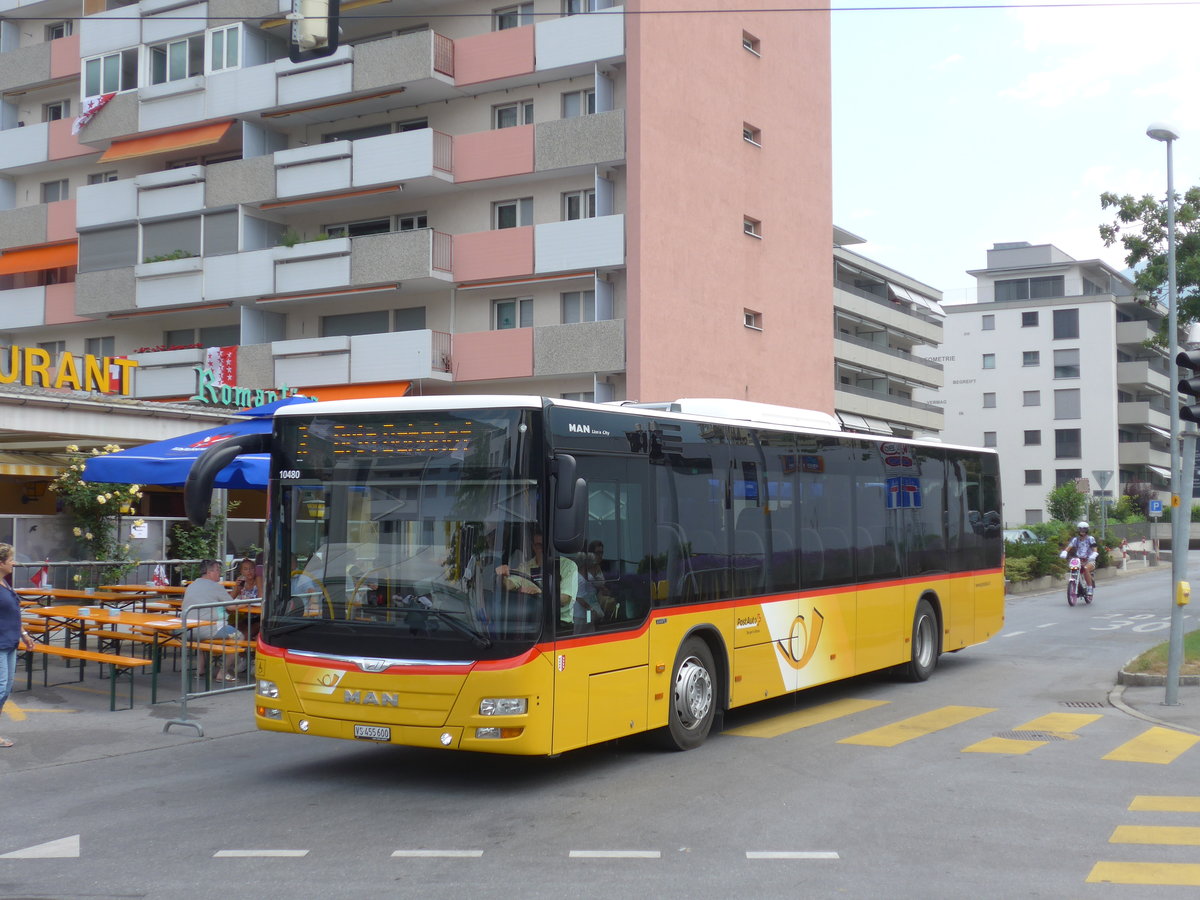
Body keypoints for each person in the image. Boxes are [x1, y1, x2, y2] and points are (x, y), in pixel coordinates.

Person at [183, 559, 246, 681]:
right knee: (239, 637)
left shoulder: (192, 585)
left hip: (187, 629)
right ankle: (223, 672)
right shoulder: (215, 587)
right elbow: (232, 607)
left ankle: (200, 669)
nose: (220, 573)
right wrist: (249, 603)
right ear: (208, 572)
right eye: (217, 570)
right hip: (207, 629)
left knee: (203, 637)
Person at [0, 543, 37, 748]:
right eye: (11, 559)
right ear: (0, 563)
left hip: (10, 642)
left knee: (6, 690)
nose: (14, 562)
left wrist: (24, 634)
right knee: (0, 688)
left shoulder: (6, 583)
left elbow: (13, 613)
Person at [1060, 521, 1099, 596]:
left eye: (1084, 530)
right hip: (1078, 560)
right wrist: (1064, 552)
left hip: (1089, 560)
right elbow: (1069, 547)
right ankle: (1075, 585)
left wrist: (1094, 554)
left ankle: (1089, 587)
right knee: (1073, 568)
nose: (1082, 532)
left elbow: (1095, 548)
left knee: (1085, 569)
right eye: (1080, 530)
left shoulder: (1091, 539)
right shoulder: (1075, 539)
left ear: (1087, 530)